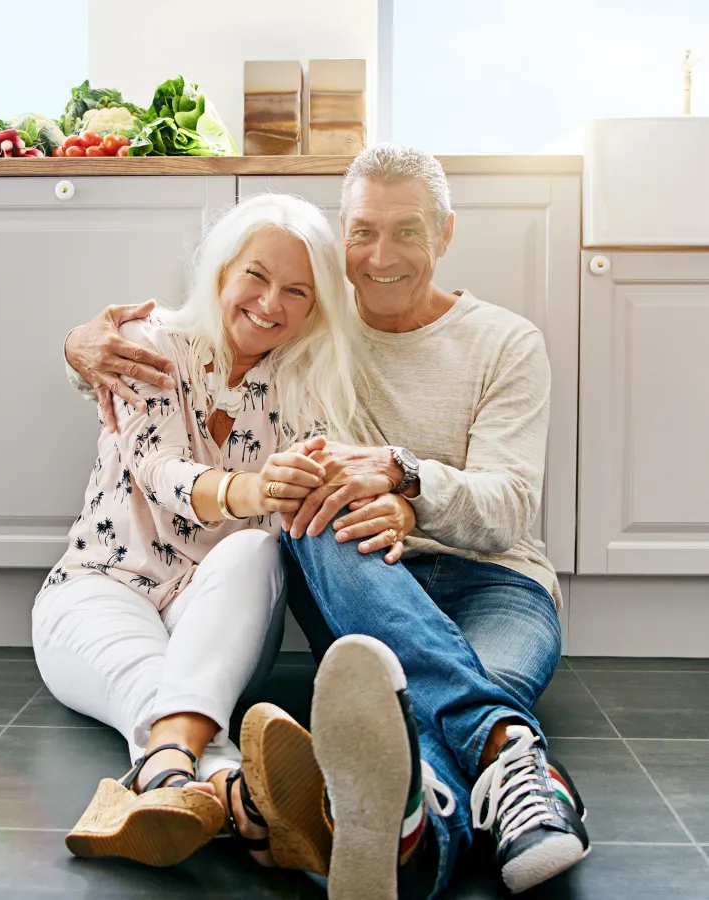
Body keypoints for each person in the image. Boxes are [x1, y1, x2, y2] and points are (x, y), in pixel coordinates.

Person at [62, 143, 590, 898]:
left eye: (408, 231)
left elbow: (508, 509)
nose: (381, 255)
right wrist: (79, 347)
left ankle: (399, 832)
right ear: (340, 237)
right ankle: (509, 751)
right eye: (364, 231)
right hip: (364, 574)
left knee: (446, 696)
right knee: (312, 521)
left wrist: (406, 479)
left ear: (445, 234)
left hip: (495, 582)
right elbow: (178, 365)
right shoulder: (304, 331)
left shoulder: (505, 343)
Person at [32, 192, 370, 869]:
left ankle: (166, 780)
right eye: (257, 275)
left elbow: (295, 520)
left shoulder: (310, 390)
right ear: (222, 270)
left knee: (255, 548)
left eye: (297, 291)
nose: (271, 303)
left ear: (316, 307)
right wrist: (251, 488)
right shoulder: (151, 345)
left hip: (217, 607)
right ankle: (226, 792)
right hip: (100, 586)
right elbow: (156, 469)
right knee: (154, 680)